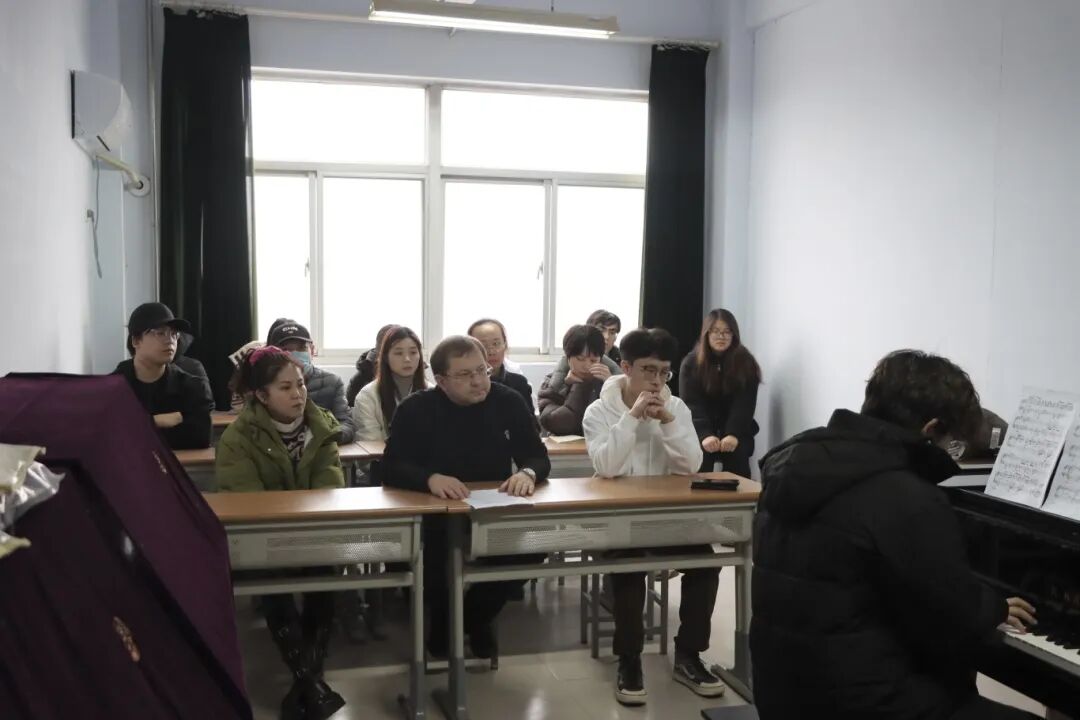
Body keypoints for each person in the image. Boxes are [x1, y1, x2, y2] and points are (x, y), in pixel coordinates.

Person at [751, 350, 1039, 720]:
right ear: (930, 430)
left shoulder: (795, 469)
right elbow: (950, 613)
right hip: (862, 706)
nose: (952, 453)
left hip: (782, 695)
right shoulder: (907, 497)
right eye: (952, 442)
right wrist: (994, 606)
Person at [582, 328, 725, 706]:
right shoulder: (599, 411)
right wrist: (631, 418)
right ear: (626, 367)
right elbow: (606, 467)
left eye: (664, 372)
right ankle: (629, 660)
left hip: (667, 519)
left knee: (706, 562)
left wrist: (668, 423)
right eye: (648, 370)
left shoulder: (676, 407)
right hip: (618, 521)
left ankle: (689, 655)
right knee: (629, 566)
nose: (657, 381)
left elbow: (691, 466)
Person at [383, 335, 550, 658]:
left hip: (492, 507)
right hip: (436, 511)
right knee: (438, 559)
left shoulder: (508, 401)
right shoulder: (416, 409)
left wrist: (526, 473)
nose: (478, 381)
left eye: (481, 370)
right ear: (441, 380)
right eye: (464, 375)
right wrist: (430, 478)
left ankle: (469, 620)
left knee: (532, 547)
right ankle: (451, 625)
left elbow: (537, 456)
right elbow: (391, 466)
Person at [215, 346, 346, 720]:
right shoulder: (238, 438)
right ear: (261, 395)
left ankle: (306, 681)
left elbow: (330, 490)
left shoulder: (320, 429)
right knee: (272, 580)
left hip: (314, 531)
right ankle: (310, 682)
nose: (298, 394)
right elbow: (247, 504)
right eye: (285, 388)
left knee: (326, 574)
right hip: (265, 534)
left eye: (300, 384)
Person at [114, 302, 214, 450]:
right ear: (136, 341)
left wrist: (136, 426)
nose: (170, 341)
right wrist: (155, 421)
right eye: (160, 333)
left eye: (174, 334)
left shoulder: (193, 387)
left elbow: (200, 438)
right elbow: (109, 438)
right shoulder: (113, 388)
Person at [678, 309, 761, 478]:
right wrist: (705, 434)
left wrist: (733, 433)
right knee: (699, 461)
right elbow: (691, 403)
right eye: (715, 331)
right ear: (706, 334)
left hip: (737, 429)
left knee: (738, 460)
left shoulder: (746, 362)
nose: (721, 336)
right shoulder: (691, 362)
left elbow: (745, 404)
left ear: (734, 335)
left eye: (727, 332)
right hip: (699, 429)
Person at [266, 319, 356, 444]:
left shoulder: (332, 382)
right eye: (287, 349)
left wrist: (323, 438)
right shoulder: (265, 386)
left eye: (302, 348)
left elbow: (346, 424)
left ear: (312, 350)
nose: (295, 354)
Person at [352, 325, 428, 442]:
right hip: (381, 454)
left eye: (413, 352)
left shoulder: (432, 392)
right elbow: (370, 443)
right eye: (399, 353)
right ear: (385, 357)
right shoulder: (368, 396)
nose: (407, 359)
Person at [538, 325, 608, 436]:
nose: (587, 366)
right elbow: (554, 422)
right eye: (580, 359)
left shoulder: (610, 380)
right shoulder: (552, 383)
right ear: (568, 358)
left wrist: (612, 386)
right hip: (564, 446)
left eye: (593, 360)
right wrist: (578, 386)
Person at [467, 318, 534, 415]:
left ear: (505, 345)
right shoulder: (464, 385)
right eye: (483, 346)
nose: (491, 352)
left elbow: (530, 422)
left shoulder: (519, 383)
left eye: (496, 344)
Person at [346, 324, 394, 407]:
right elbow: (351, 408)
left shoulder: (412, 374)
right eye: (398, 352)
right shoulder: (360, 380)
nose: (406, 358)